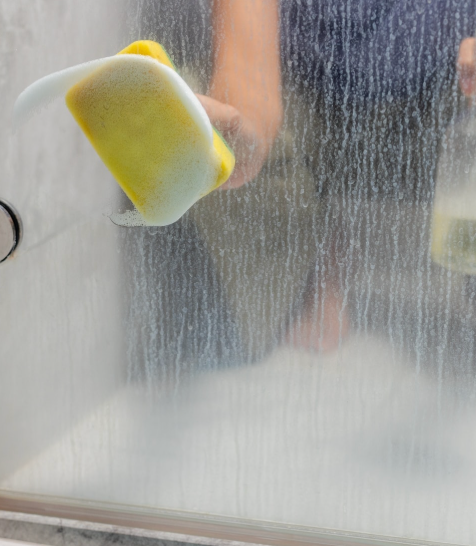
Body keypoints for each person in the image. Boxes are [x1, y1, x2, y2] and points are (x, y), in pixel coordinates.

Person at [194, 0, 476, 351]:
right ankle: (319, 251)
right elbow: (246, 72)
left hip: (441, 90)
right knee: (197, 139)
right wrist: (243, 130)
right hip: (302, 85)